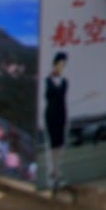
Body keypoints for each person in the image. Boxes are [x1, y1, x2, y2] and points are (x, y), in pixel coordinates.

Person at [44, 52, 70, 191]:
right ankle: (52, 172)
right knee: (53, 144)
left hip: (61, 115)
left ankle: (57, 172)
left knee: (60, 144)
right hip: (51, 115)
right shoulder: (47, 80)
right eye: (60, 63)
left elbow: (61, 96)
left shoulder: (64, 81)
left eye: (64, 64)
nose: (62, 66)